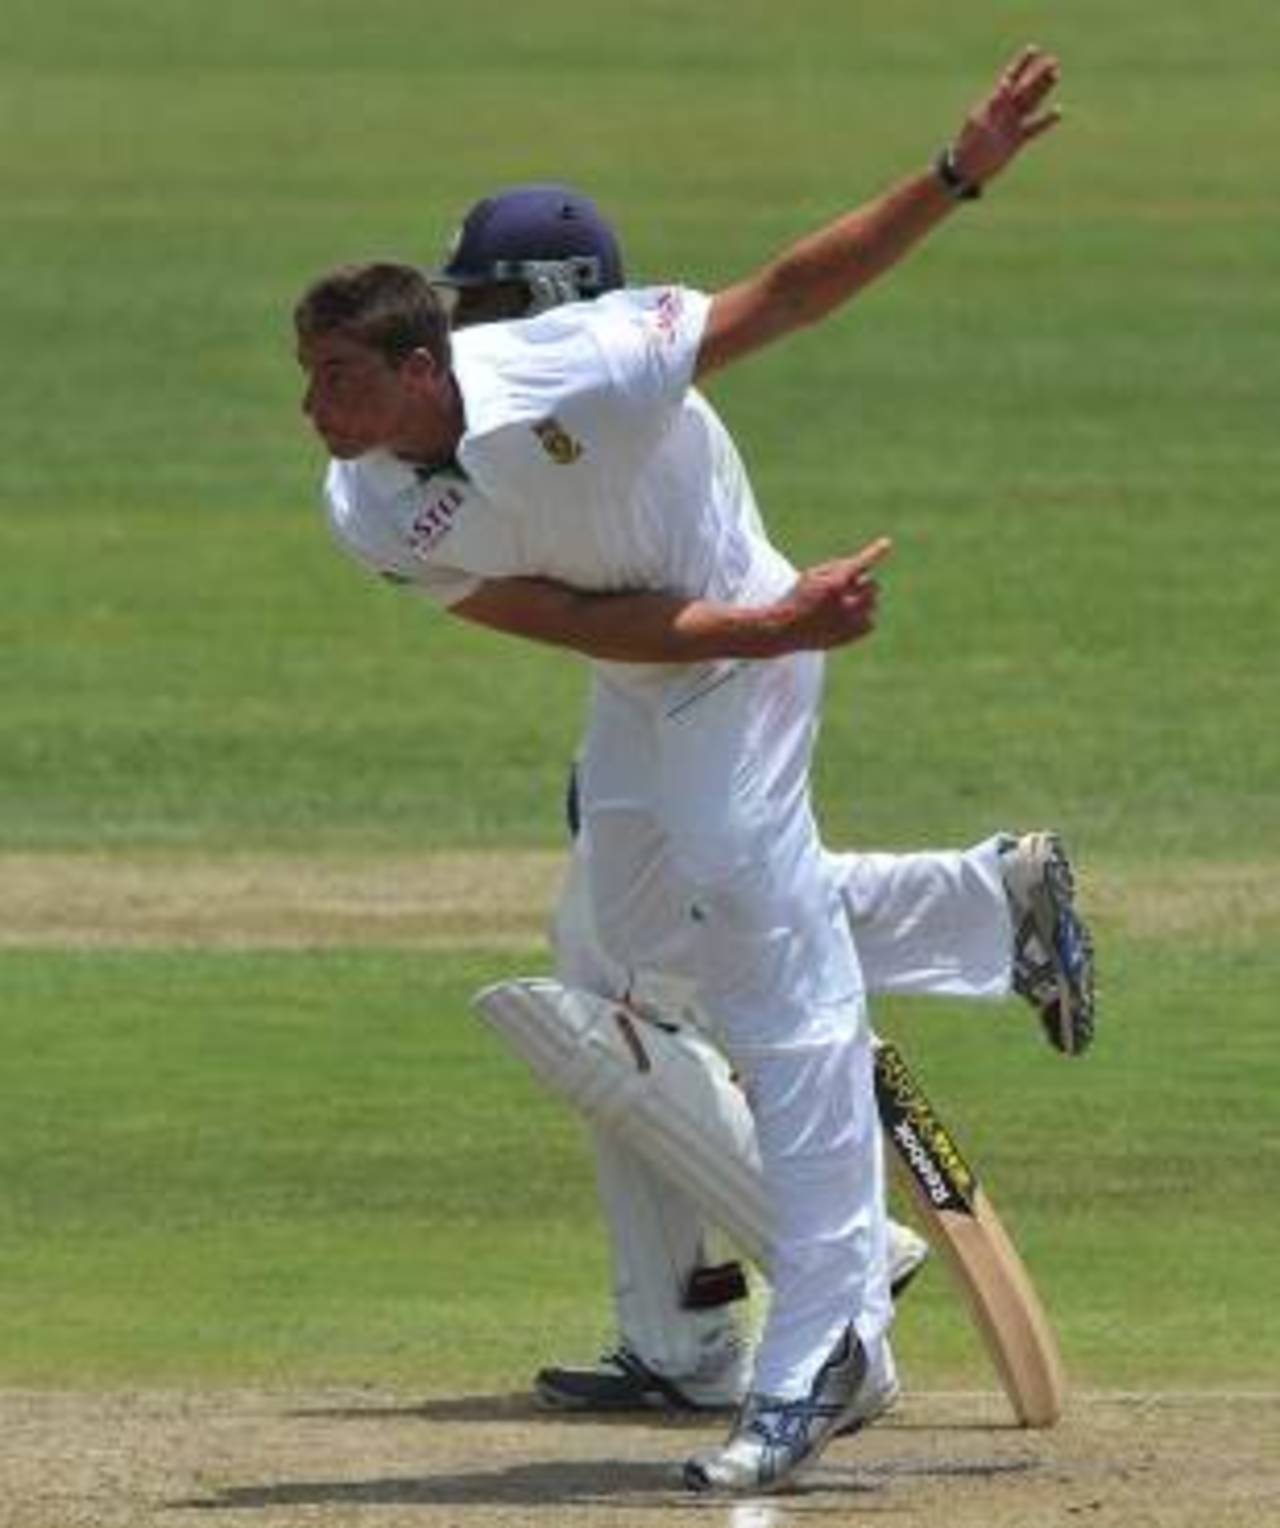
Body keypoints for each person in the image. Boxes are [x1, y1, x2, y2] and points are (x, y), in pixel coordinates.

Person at [295, 44, 1077, 1494]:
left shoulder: (583, 355)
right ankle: (986, 910)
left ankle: (822, 1345)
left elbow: (787, 293)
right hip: (661, 663)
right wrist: (740, 623)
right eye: (305, 377)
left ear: (424, 365)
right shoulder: (366, 506)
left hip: (750, 666)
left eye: (340, 379)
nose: (313, 409)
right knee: (629, 945)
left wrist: (958, 173)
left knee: (772, 970)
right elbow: (571, 618)